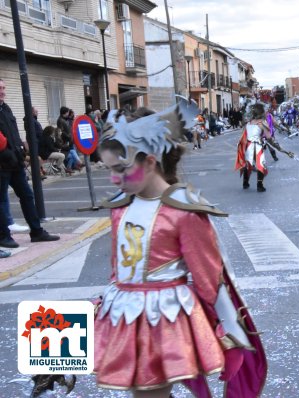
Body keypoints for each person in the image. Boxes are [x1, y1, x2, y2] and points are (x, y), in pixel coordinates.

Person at [75, 99, 266, 398]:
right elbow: (119, 269)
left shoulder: (183, 211)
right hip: (123, 314)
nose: (114, 178)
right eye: (109, 169)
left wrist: (230, 329)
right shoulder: (120, 208)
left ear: (150, 161)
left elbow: (209, 278)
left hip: (162, 319)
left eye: (121, 169)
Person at [0, 78, 60, 248]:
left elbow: (13, 132)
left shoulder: (6, 108)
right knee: (1, 200)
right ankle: (3, 235)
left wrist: (20, 149)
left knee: (27, 195)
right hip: (2, 164)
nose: (2, 91)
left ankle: (37, 232)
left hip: (15, 162)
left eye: (3, 87)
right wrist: (6, 153)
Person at [236, 103, 289, 192]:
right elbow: (269, 138)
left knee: (248, 164)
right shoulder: (262, 123)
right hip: (257, 146)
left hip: (248, 146)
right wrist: (280, 149)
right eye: (264, 111)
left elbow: (244, 135)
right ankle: (259, 185)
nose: (265, 112)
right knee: (261, 165)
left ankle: (245, 182)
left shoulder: (248, 123)